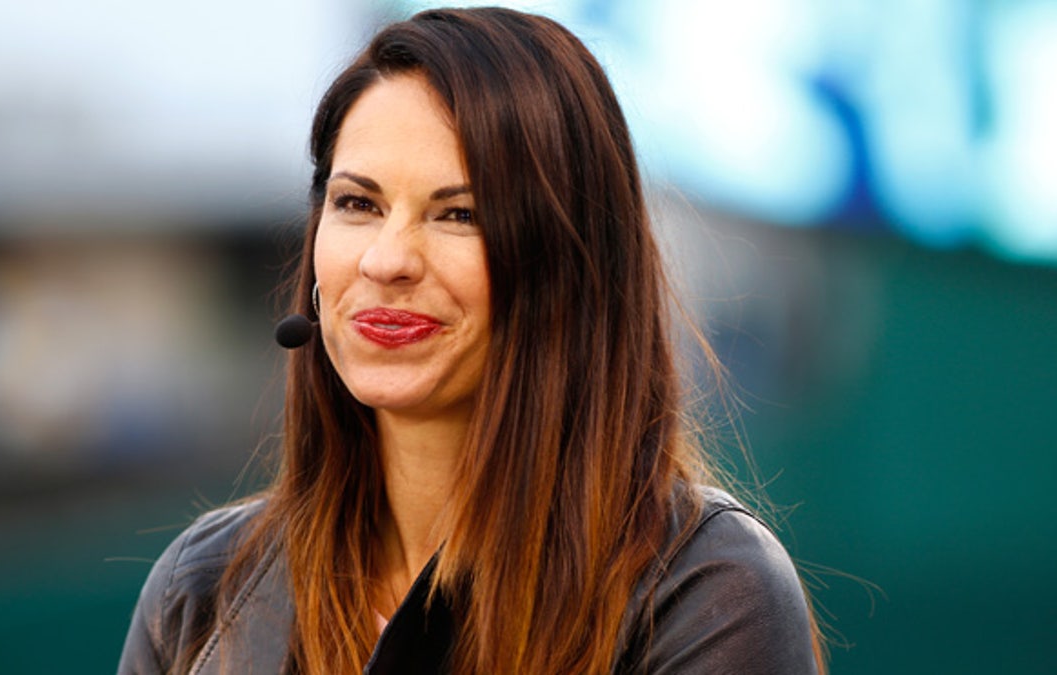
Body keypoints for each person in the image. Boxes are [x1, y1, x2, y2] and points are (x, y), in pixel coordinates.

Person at [118, 7, 824, 674]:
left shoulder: (704, 593)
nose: (387, 260)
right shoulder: (202, 590)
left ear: (570, 266)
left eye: (458, 214)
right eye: (357, 204)